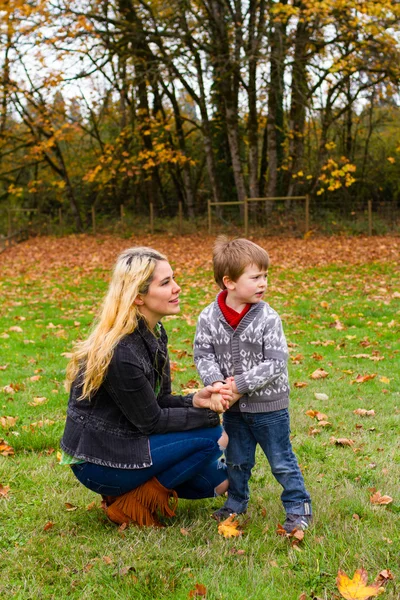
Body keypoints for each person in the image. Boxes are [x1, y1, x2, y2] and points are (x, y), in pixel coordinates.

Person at [60, 246, 231, 528]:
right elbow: (151, 421)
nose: (177, 288)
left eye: (173, 279)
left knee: (218, 482)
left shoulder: (153, 334)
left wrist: (196, 401)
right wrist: (209, 416)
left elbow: (159, 401)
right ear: (138, 296)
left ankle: (131, 493)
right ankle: (129, 504)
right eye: (165, 283)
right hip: (97, 461)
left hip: (125, 440)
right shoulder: (121, 352)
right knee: (213, 436)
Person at [194, 236, 312, 532]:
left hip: (269, 407)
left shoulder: (268, 318)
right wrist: (218, 385)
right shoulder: (209, 317)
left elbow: (275, 363)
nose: (263, 283)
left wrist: (240, 385)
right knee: (236, 460)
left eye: (265, 276)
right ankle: (235, 503)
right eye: (255, 277)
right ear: (229, 282)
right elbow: (203, 354)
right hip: (233, 410)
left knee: (281, 460)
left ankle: (299, 507)